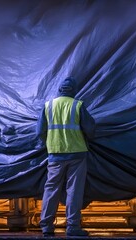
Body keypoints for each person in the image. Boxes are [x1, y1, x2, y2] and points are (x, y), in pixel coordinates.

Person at [36, 77, 95, 237]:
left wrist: (49, 143)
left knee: (51, 189)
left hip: (55, 154)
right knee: (74, 190)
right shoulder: (78, 105)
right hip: (77, 154)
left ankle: (47, 226)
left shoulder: (49, 106)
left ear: (60, 90)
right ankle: (73, 226)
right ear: (74, 90)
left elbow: (39, 131)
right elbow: (90, 129)